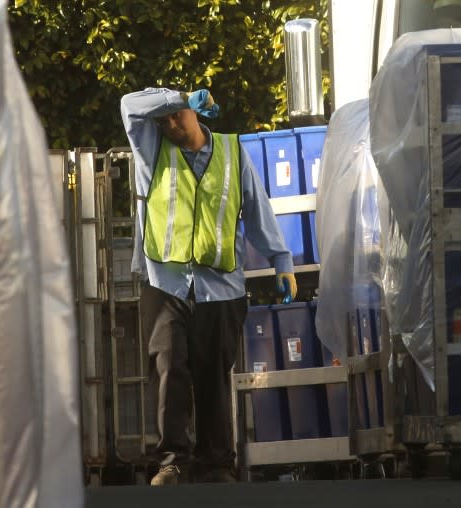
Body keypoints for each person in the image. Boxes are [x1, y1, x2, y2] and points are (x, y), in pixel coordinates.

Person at [120, 87, 297, 485]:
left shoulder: (232, 154)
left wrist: (281, 261)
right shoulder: (151, 151)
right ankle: (172, 462)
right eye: (163, 118)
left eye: (176, 116)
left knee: (214, 376)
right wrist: (179, 96)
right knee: (169, 370)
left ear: (196, 115)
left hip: (221, 288)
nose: (168, 124)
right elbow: (129, 106)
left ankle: (217, 464)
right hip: (165, 284)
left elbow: (256, 207)